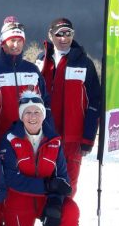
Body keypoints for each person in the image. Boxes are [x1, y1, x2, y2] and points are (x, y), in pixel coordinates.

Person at [0, 91, 79, 226]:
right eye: (27, 112)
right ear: (21, 115)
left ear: (43, 114)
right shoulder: (10, 139)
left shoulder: (54, 140)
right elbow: (11, 178)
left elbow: (62, 177)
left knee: (70, 209)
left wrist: (56, 201)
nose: (32, 116)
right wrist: (46, 185)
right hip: (18, 200)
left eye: (37, 112)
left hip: (45, 198)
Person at [35, 18, 102, 195]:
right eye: (59, 34)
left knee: (67, 187)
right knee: (40, 184)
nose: (64, 38)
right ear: (50, 35)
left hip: (72, 138)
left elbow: (95, 103)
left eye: (68, 33)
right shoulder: (40, 61)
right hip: (43, 136)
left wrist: (88, 138)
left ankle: (66, 222)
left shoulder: (84, 64)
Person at [0, 16, 53, 148]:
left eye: (20, 40)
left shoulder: (33, 70)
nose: (16, 45)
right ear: (2, 42)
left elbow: (45, 104)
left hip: (31, 141)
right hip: (0, 141)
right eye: (12, 40)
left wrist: (49, 133)